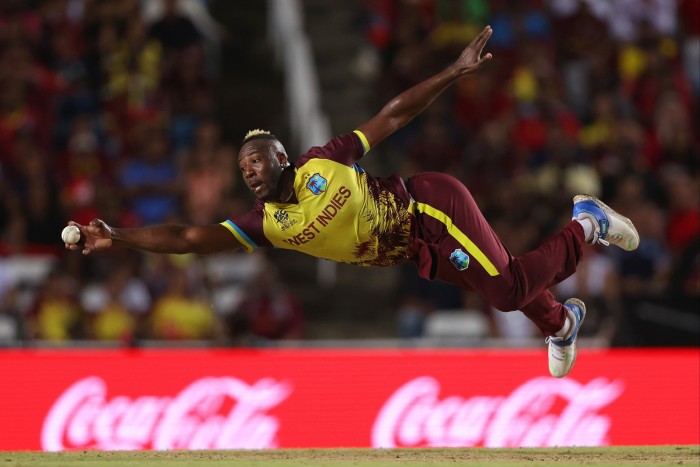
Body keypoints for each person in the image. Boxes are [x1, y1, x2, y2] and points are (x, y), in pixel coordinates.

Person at [64, 26, 640, 378]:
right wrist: (118, 236)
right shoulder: (267, 224)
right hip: (415, 252)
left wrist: (451, 72)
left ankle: (585, 227)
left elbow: (392, 115)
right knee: (503, 287)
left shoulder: (324, 160)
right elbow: (188, 239)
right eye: (243, 169)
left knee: (507, 288)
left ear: (284, 158)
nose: (249, 172)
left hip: (429, 207)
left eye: (257, 160)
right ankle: (561, 321)